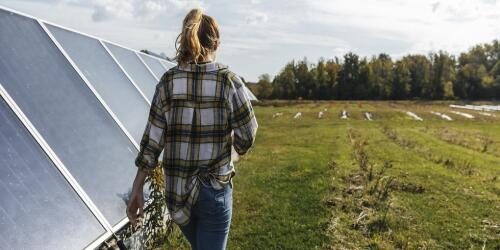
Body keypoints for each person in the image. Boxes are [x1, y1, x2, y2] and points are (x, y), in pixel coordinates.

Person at [126, 8, 258, 250]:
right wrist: (233, 152)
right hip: (214, 190)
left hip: (177, 193)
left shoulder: (168, 82)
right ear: (216, 43)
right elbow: (247, 134)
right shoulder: (228, 82)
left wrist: (136, 188)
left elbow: (152, 142)